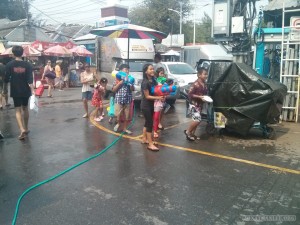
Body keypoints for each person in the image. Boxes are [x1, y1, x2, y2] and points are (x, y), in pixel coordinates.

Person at [4, 45, 35, 140]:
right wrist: (33, 91)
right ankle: (26, 128)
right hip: (26, 90)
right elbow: (30, 79)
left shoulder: (9, 65)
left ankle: (21, 129)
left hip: (15, 89)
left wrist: (4, 88)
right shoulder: (28, 65)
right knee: (25, 108)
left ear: (13, 54)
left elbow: (6, 78)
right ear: (22, 53)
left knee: (17, 110)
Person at [141, 64, 164, 151]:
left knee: (147, 122)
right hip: (145, 106)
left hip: (151, 105)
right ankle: (150, 144)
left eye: (153, 69)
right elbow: (147, 96)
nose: (152, 70)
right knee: (150, 124)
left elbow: (157, 90)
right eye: (150, 69)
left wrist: (162, 94)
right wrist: (158, 98)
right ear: (146, 71)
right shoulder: (145, 83)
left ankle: (144, 139)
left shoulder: (153, 81)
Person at [184, 67, 208, 141]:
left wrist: (205, 98)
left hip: (200, 105)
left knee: (197, 119)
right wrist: (199, 97)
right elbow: (190, 94)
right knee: (197, 120)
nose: (206, 76)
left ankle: (192, 134)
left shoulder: (204, 83)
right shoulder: (195, 84)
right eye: (205, 74)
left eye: (207, 74)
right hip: (194, 104)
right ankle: (188, 132)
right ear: (199, 75)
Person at [112, 64, 134, 134]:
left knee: (127, 116)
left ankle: (124, 128)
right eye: (126, 69)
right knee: (117, 114)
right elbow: (113, 90)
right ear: (121, 71)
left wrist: (131, 85)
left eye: (128, 70)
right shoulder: (117, 80)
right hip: (119, 99)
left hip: (127, 99)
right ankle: (118, 123)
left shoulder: (130, 79)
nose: (127, 71)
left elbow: (132, 89)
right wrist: (119, 83)